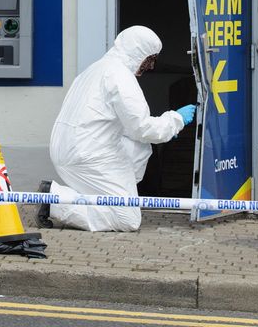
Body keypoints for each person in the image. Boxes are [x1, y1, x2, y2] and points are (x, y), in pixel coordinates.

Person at [37, 25, 197, 232]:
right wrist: (176, 120)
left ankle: (108, 197)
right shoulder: (120, 76)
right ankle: (55, 201)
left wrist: (165, 131)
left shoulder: (94, 69)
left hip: (69, 149)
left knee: (140, 148)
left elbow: (121, 125)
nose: (150, 66)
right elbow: (142, 128)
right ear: (137, 52)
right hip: (90, 155)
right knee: (127, 219)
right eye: (150, 59)